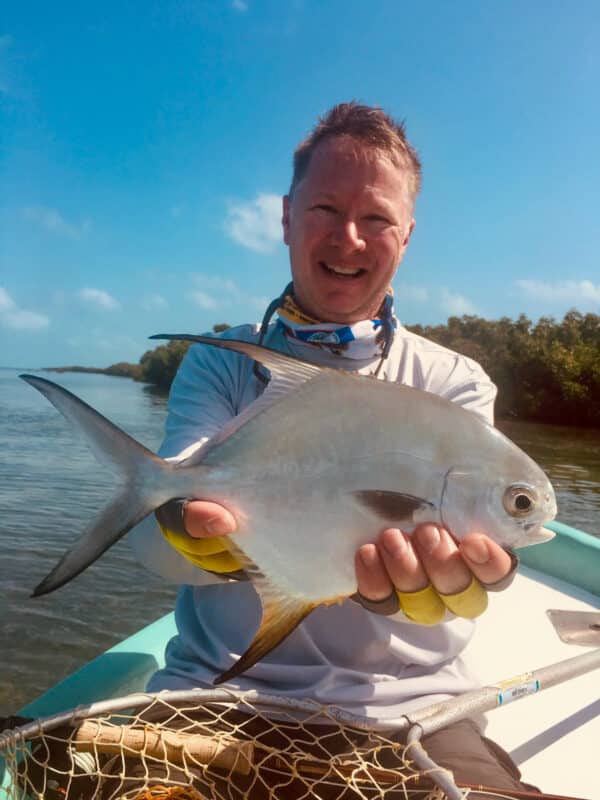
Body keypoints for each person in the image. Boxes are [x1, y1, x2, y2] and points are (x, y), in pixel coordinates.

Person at [132, 102, 533, 796]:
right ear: (287, 218)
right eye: (325, 208)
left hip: (415, 710)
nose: (350, 239)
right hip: (219, 691)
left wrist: (433, 590)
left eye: (376, 219)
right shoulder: (224, 363)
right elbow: (159, 548)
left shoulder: (454, 385)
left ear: (406, 236)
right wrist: (188, 528)